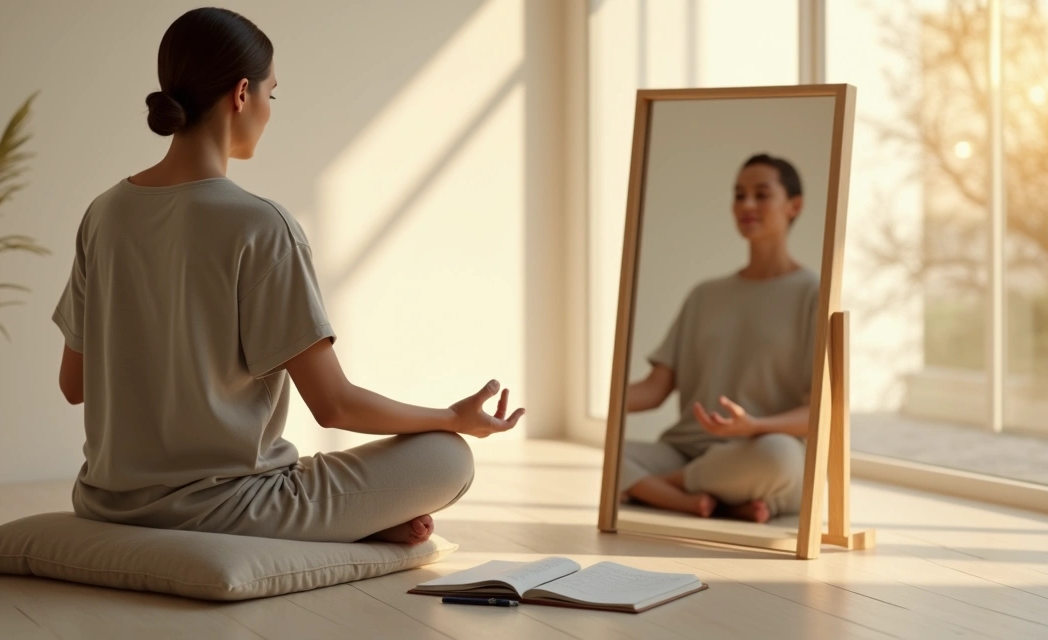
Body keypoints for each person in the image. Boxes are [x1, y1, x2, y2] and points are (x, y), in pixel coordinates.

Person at [52, 8, 523, 546]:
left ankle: (354, 521)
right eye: (271, 94)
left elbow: (74, 386)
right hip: (227, 510)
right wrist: (451, 417)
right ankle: (353, 521)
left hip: (106, 502)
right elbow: (334, 405)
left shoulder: (105, 213)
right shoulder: (261, 225)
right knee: (447, 457)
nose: (270, 110)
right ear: (241, 94)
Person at [620, 153, 819, 524]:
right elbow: (654, 389)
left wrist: (754, 426)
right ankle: (719, 502)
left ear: (794, 206)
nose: (747, 204)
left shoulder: (814, 293)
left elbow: (820, 412)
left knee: (778, 459)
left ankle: (659, 490)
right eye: (739, 195)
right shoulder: (705, 295)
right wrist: (583, 399)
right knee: (602, 451)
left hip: (758, 449)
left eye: (761, 194)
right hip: (685, 450)